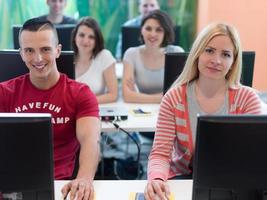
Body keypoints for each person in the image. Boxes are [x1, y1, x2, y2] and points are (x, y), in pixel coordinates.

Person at [144, 22, 262, 200]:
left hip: (234, 186)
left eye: (226, 54)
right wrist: (157, 179)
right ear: (198, 53)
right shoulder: (174, 98)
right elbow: (161, 153)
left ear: (233, 61)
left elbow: (255, 157)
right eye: (209, 50)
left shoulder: (247, 99)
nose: (216, 60)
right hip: (184, 182)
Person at [0, 18, 100, 200]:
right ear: (21, 54)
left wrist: (84, 178)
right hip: (10, 185)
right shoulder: (4, 92)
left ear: (58, 50)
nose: (38, 59)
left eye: (45, 49)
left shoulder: (80, 93)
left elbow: (90, 142)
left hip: (60, 187)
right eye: (29, 51)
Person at [122, 10, 184, 104]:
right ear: (141, 30)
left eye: (159, 30)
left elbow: (180, 93)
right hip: (143, 111)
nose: (153, 34)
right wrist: (165, 96)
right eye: (148, 28)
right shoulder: (131, 54)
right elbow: (127, 96)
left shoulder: (176, 52)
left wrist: (137, 96)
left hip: (171, 110)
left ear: (165, 33)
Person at [72, 16, 118, 104]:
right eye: (82, 35)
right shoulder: (67, 58)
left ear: (97, 40)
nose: (85, 41)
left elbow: (113, 95)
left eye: (91, 37)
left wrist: (84, 102)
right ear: (75, 37)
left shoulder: (104, 56)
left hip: (94, 109)